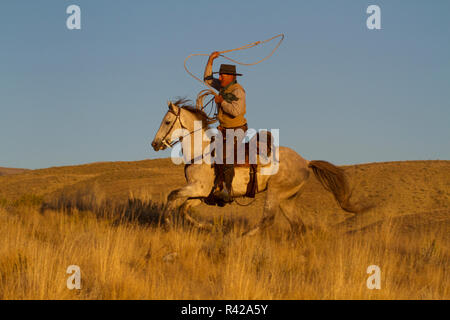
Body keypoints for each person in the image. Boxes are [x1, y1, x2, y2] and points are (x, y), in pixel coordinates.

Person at [204, 51, 248, 202]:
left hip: (237, 129)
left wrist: (221, 102)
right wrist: (210, 60)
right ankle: (214, 186)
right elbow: (208, 80)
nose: (220, 77)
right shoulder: (223, 87)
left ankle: (227, 191)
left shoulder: (238, 91)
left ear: (231, 77)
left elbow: (236, 111)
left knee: (228, 155)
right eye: (220, 75)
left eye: (222, 75)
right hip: (224, 129)